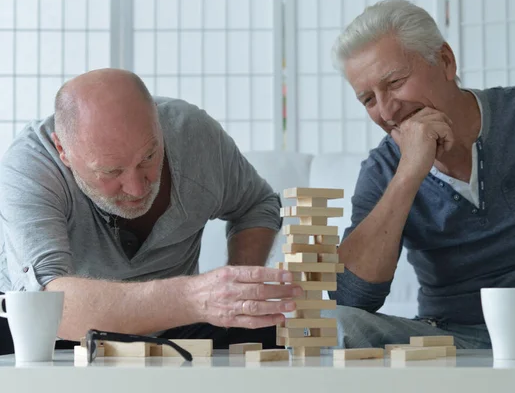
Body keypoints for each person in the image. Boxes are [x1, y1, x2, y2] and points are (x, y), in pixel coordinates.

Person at [327, 0, 515, 362]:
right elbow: (352, 299)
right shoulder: (381, 169)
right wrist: (409, 171)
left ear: (445, 60)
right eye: (368, 99)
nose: (387, 110)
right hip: (446, 341)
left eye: (394, 82)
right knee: (335, 325)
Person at [0, 68, 302, 353]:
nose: (136, 187)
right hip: (55, 335)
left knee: (269, 332)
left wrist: (235, 295)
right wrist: (195, 298)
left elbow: (256, 204)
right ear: (63, 151)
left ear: (160, 126)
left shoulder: (194, 135)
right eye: (111, 171)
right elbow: (44, 304)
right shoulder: (30, 166)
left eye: (148, 157)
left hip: (175, 328)